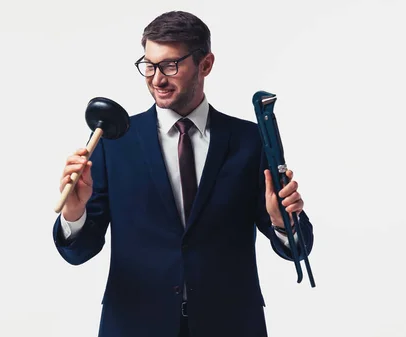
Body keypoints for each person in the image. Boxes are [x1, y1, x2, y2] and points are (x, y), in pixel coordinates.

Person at [52, 10, 314, 337]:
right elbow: (78, 252)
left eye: (170, 65)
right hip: (135, 324)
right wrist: (74, 214)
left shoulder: (251, 141)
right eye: (148, 65)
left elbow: (298, 249)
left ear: (205, 65)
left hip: (230, 325)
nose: (157, 79)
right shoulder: (113, 143)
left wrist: (282, 220)